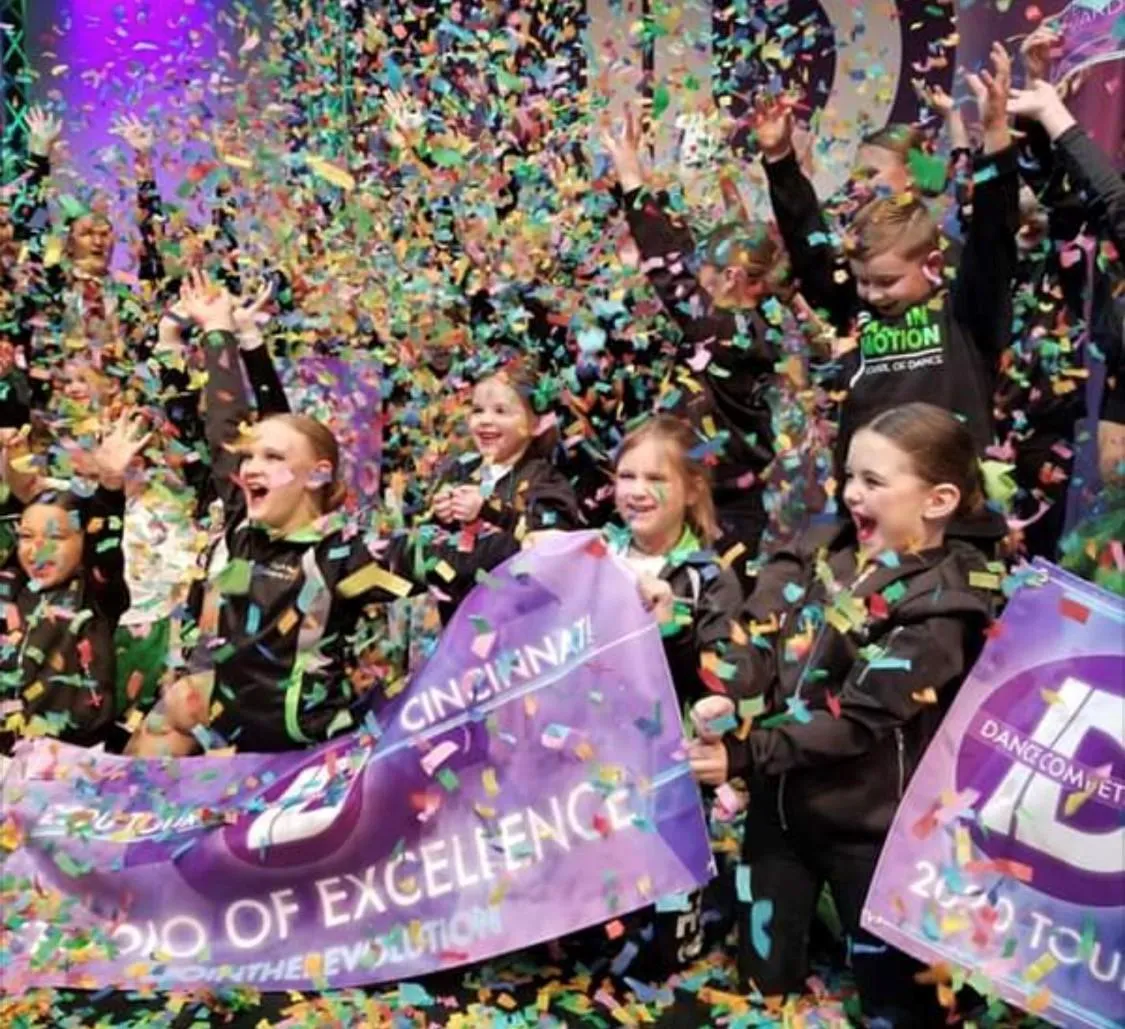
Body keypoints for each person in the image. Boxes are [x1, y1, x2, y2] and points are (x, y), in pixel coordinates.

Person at [687, 403, 999, 1026]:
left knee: (900, 1010)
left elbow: (858, 722)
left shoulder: (945, 609)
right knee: (761, 983)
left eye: (875, 482)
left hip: (870, 832)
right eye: (850, 476)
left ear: (938, 500)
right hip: (778, 817)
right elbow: (754, 634)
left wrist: (743, 754)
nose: (853, 493)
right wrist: (730, 691)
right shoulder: (816, 546)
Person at [128, 273, 515, 756]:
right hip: (224, 749)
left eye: (271, 460)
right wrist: (237, 342)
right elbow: (229, 427)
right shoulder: (241, 526)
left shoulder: (348, 556)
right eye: (250, 459)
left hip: (304, 764)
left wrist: (530, 531)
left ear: (316, 475)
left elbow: (475, 557)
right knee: (169, 712)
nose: (249, 468)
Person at [757, 46, 1019, 501]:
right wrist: (780, 161)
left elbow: (995, 232)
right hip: (867, 504)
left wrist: (996, 136)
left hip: (948, 511)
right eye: (866, 282)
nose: (874, 294)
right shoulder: (859, 273)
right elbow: (812, 252)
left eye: (870, 172)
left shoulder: (961, 283)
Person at [601, 106, 795, 561]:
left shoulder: (725, 332)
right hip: (737, 501)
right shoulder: (767, 323)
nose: (695, 272)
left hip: (721, 512)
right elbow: (683, 253)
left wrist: (631, 179)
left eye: (704, 268)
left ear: (729, 277)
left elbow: (670, 271)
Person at [0, 412, 148, 754]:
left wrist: (111, 483)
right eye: (27, 536)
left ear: (82, 543)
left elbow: (106, 540)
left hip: (73, 761)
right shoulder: (12, 586)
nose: (38, 549)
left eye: (57, 537)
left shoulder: (95, 592)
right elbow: (23, 493)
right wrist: (12, 457)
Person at [432, 359, 580, 551]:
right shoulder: (460, 470)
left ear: (536, 424)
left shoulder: (545, 480)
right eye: (478, 410)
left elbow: (555, 536)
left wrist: (489, 510)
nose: (485, 420)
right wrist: (442, 516)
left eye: (501, 411)